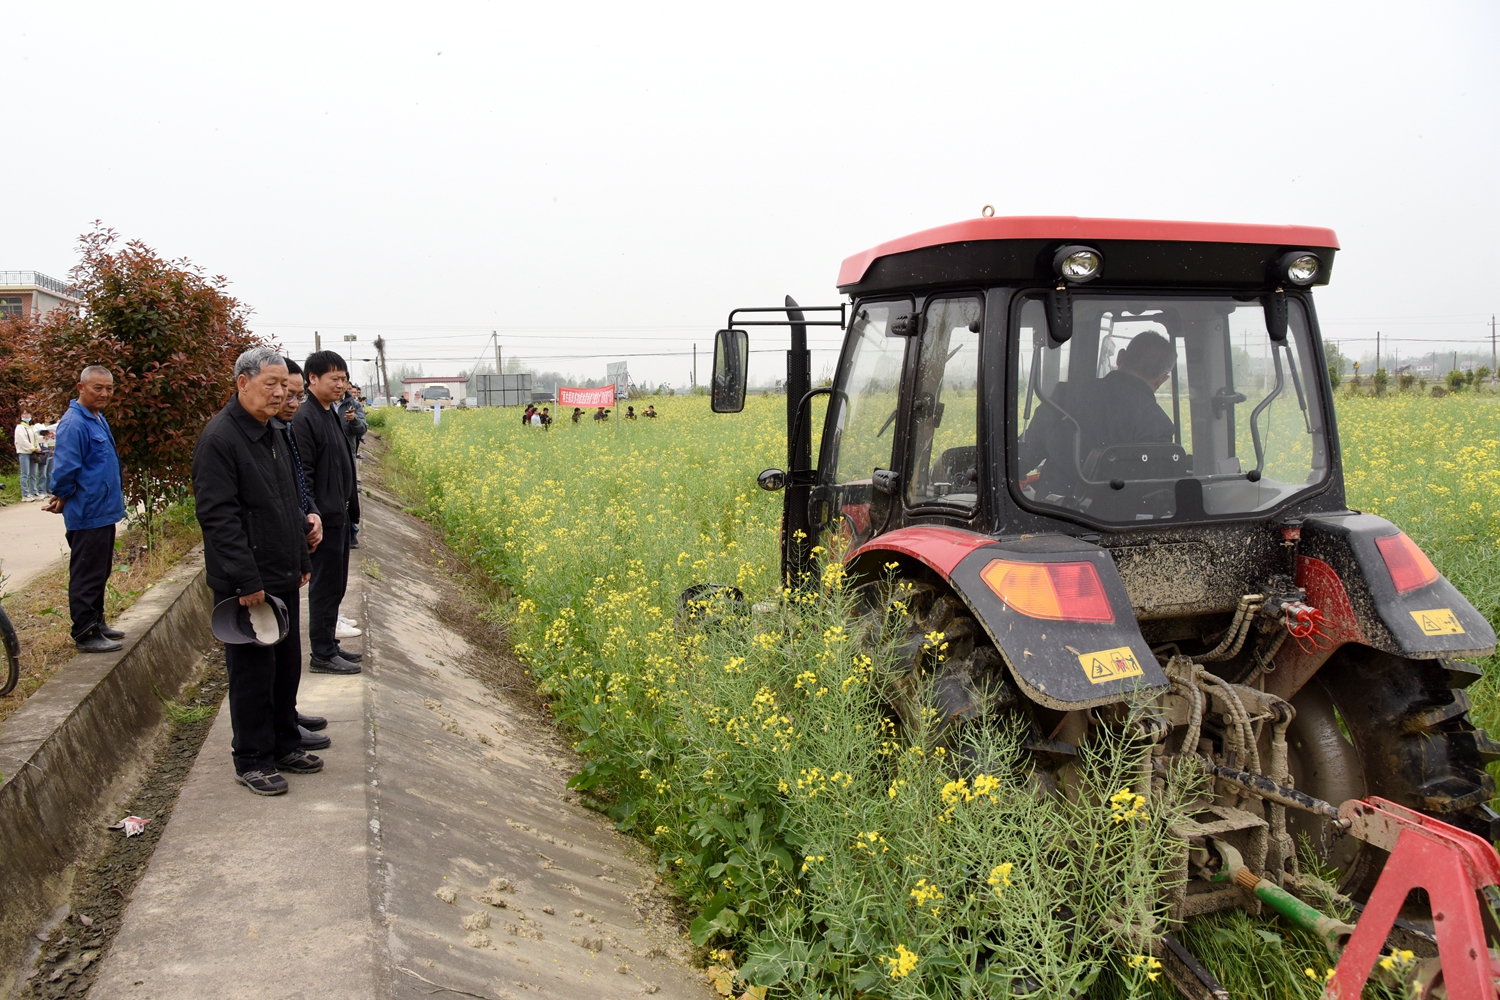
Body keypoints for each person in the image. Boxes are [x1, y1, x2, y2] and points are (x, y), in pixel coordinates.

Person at [193, 347, 321, 795]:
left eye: (284, 385)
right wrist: (246, 581)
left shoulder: (273, 432)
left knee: (286, 665)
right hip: (247, 580)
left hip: (282, 570)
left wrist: (302, 558)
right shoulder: (221, 439)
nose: (280, 393)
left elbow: (288, 503)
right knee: (252, 672)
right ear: (242, 382)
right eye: (271, 384)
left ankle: (284, 742)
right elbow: (218, 517)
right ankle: (251, 758)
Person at [43, 368, 129, 653]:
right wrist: (62, 496)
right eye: (97, 388)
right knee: (87, 573)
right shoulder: (74, 423)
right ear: (81, 387)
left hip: (103, 510)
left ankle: (97, 622)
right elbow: (66, 467)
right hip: (88, 511)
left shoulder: (96, 418)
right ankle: (85, 632)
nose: (104, 394)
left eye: (109, 388)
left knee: (100, 570)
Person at [1027, 331, 1176, 492]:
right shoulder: (1160, 424)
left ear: (1120, 357)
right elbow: (1154, 492)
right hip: (1119, 515)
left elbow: (1026, 453)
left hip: (1051, 512)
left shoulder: (1065, 395)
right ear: (1162, 380)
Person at [278, 359, 335, 752]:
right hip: (264, 565)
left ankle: (286, 715)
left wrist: (310, 511)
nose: (289, 400)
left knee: (285, 655)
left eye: (295, 394)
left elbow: (298, 486)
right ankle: (266, 745)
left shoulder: (280, 431)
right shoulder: (230, 437)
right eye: (281, 390)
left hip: (291, 550)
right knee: (266, 661)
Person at [293, 351, 362, 675]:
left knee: (336, 587)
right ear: (312, 380)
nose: (341, 384)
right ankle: (321, 652)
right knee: (323, 588)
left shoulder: (330, 412)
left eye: (343, 378)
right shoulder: (305, 418)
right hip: (324, 520)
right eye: (334, 378)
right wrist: (313, 514)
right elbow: (303, 474)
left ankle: (330, 645)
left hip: (339, 516)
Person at [334, 385, 367, 548]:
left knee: (349, 494)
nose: (338, 384)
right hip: (326, 457)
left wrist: (353, 419)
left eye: (342, 379)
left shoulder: (354, 405)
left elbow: (362, 430)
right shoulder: (321, 405)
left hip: (347, 456)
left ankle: (351, 532)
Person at [13, 408, 41, 501]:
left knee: (33, 474)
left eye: (28, 414)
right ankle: (25, 494)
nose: (26, 416)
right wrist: (32, 448)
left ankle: (34, 492)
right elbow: (22, 441)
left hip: (33, 453)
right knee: (25, 474)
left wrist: (44, 438)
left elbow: (36, 439)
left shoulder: (31, 427)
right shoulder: (20, 427)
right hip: (24, 452)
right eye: (24, 414)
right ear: (20, 416)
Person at [35, 427, 55, 495]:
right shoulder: (39, 426)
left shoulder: (54, 426)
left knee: (50, 472)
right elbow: (38, 438)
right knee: (43, 472)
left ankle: (49, 490)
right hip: (43, 450)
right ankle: (41, 490)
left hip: (51, 450)